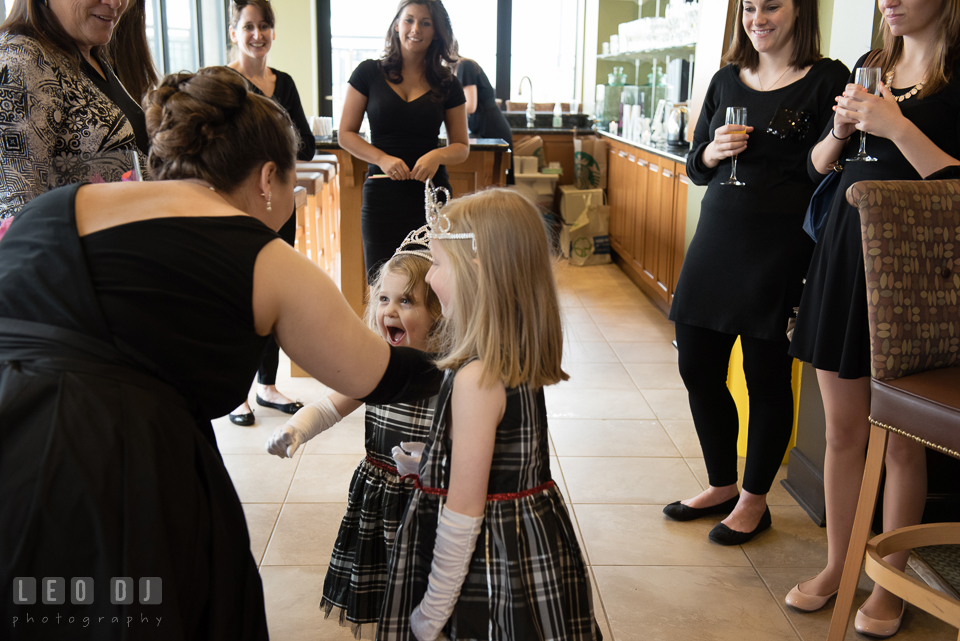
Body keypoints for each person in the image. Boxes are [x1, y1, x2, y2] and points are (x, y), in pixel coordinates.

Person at [0, 66, 441, 640]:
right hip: (118, 484)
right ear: (266, 178)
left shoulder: (56, 206)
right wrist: (472, 356)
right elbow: (374, 373)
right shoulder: (267, 260)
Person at [786, 0, 960, 635]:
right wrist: (841, 127)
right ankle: (840, 565)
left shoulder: (956, 76)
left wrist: (892, 125)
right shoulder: (870, 64)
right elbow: (817, 168)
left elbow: (954, 187)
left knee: (903, 446)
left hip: (912, 275)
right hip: (844, 253)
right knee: (840, 432)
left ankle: (891, 582)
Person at [376, 185, 599, 641]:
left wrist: (432, 612)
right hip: (529, 538)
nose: (431, 277)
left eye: (437, 263)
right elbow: (502, 465)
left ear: (475, 269)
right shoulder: (512, 354)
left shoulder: (477, 378)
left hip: (487, 559)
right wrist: (431, 462)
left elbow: (464, 510)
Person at [664, 0, 848, 545]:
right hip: (714, 243)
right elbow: (695, 165)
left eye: (771, 5)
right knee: (697, 365)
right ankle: (721, 484)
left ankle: (754, 500)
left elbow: (824, 166)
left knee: (765, 377)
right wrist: (714, 152)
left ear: (800, 11)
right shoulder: (725, 79)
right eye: (749, 6)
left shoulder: (827, 78)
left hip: (781, 247)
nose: (757, 16)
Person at [267, 232, 442, 638]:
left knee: (426, 589)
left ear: (440, 312)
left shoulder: (450, 375)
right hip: (380, 500)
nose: (390, 311)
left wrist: (434, 461)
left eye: (407, 301)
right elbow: (329, 406)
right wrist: (295, 428)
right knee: (384, 584)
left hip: (431, 502)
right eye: (384, 299)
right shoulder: (375, 370)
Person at [225, 0, 317, 426]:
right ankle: (235, 393)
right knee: (239, 296)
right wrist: (277, 144)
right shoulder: (225, 83)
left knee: (274, 292)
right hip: (238, 206)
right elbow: (224, 149)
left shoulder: (286, 83)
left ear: (273, 32)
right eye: (248, 27)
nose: (257, 34)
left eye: (264, 26)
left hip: (279, 205)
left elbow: (307, 146)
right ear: (234, 32)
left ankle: (266, 384)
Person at [338, 0, 470, 283]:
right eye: (409, 20)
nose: (415, 29)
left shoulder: (448, 82)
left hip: (430, 196)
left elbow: (461, 146)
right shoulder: (368, 73)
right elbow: (345, 134)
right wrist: (382, 158)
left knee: (432, 283)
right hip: (381, 196)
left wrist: (437, 156)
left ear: (436, 32)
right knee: (381, 283)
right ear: (396, 24)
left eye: (426, 22)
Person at [0, 0, 157, 220]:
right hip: (78, 251)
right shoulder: (22, 60)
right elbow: (15, 208)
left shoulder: (89, 56)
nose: (116, 2)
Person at [455, 58, 512, 147]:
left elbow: (470, 106)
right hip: (486, 126)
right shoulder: (460, 67)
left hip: (490, 128)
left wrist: (445, 111)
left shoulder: (465, 65)